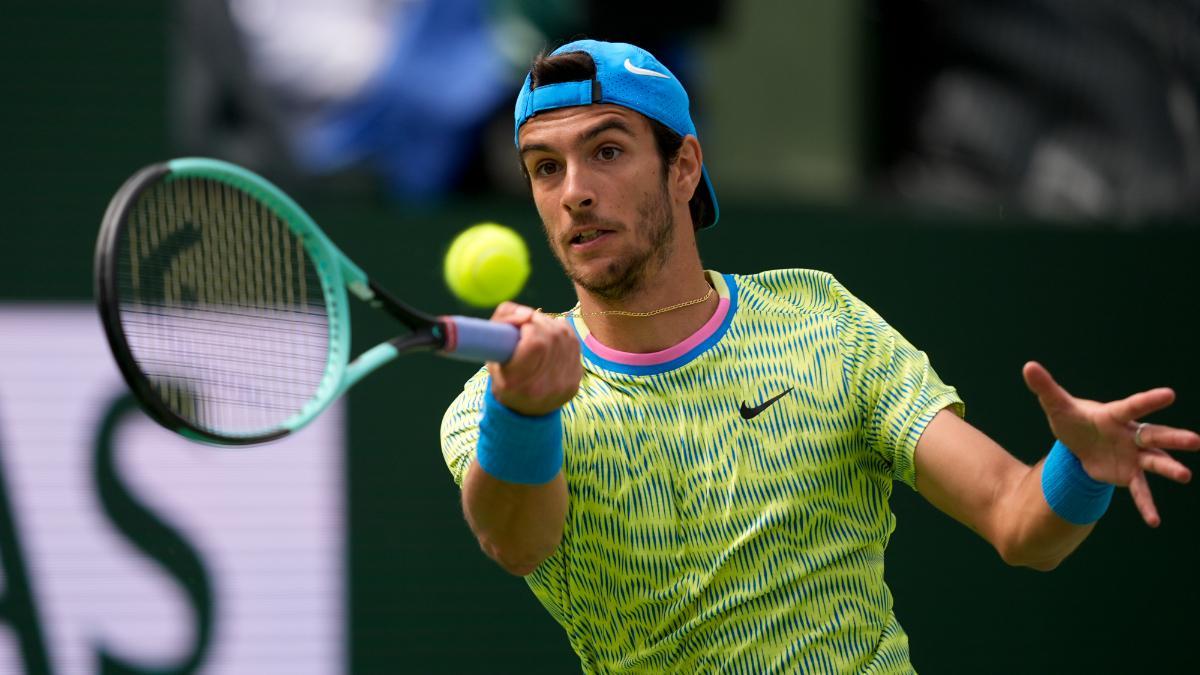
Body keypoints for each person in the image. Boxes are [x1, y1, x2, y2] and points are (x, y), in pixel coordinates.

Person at [440, 39, 1199, 672]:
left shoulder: (822, 323)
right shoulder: (493, 407)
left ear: (683, 167)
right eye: (546, 167)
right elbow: (515, 540)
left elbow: (1017, 520)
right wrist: (526, 409)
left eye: (606, 150)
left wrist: (1080, 469)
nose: (574, 191)